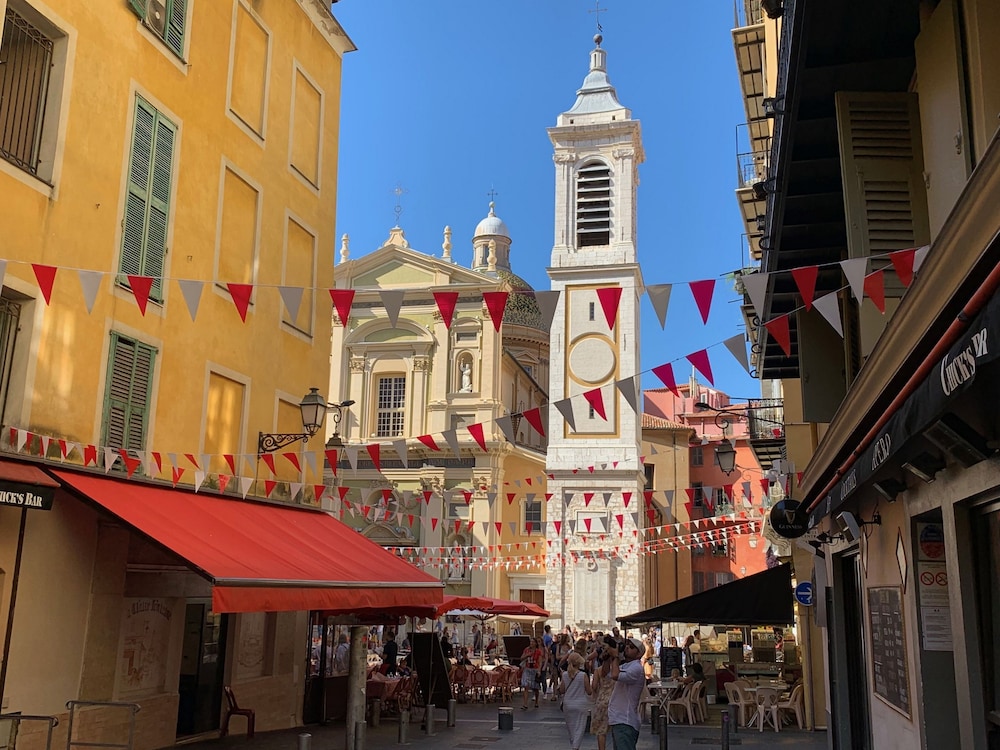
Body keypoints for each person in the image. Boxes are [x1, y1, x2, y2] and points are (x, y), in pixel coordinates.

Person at [607, 637, 646, 750]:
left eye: (632, 647)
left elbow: (615, 675)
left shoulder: (637, 668)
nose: (627, 647)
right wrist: (607, 657)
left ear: (639, 654)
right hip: (618, 719)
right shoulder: (626, 666)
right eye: (627, 645)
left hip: (625, 720)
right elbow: (606, 673)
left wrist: (615, 656)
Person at [558, 651, 593, 750]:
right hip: (581, 705)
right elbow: (589, 691)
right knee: (579, 728)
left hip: (568, 705)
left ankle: (574, 744)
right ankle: (575, 747)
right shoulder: (583, 675)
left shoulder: (565, 675)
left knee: (571, 728)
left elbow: (562, 690)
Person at [589, 649, 615, 750]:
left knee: (601, 731)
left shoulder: (598, 671)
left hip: (601, 700)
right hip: (614, 700)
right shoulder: (616, 671)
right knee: (615, 730)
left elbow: (594, 686)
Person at [520, 637, 544, 709]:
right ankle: (525, 704)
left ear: (536, 643)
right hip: (527, 669)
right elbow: (521, 658)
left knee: (535, 687)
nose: (531, 643)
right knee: (526, 686)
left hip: (535, 669)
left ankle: (536, 701)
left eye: (533, 642)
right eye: (530, 642)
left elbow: (540, 662)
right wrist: (527, 655)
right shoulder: (526, 650)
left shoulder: (538, 651)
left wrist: (539, 670)